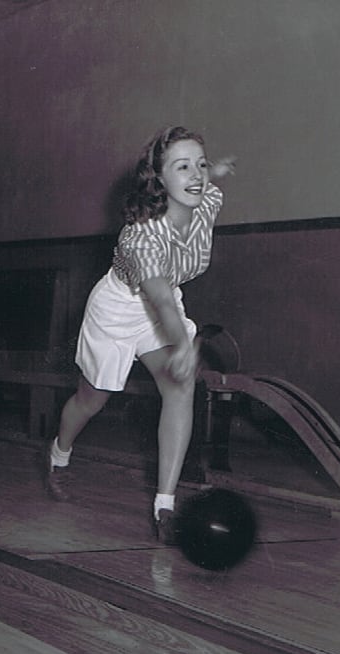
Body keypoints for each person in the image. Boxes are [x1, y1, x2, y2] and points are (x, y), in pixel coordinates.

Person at [43, 126, 235, 544]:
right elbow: (161, 302)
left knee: (180, 387)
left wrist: (214, 169)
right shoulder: (140, 237)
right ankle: (60, 451)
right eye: (182, 167)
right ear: (158, 179)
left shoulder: (207, 203)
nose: (196, 175)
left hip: (161, 305)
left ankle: (164, 504)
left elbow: (209, 182)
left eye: (199, 164)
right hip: (118, 309)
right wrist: (184, 345)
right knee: (92, 399)